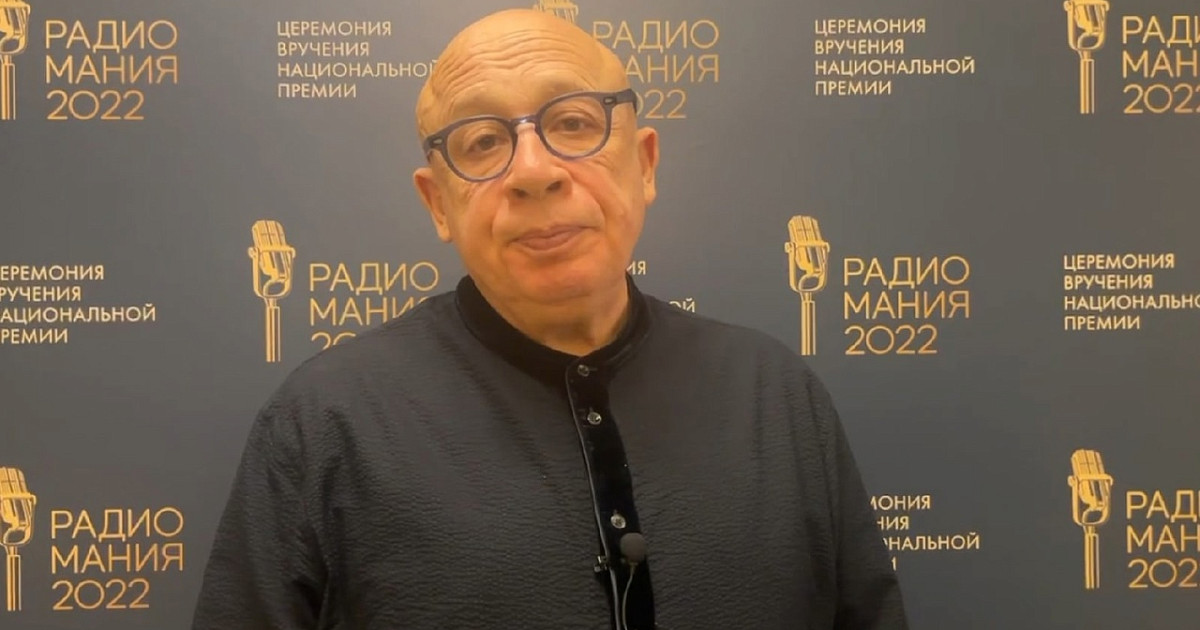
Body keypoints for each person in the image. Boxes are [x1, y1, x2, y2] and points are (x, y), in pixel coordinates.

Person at [191, 8, 907, 630]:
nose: (534, 171)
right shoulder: (325, 422)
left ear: (645, 163)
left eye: (573, 122)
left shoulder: (775, 396)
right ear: (438, 203)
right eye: (482, 141)